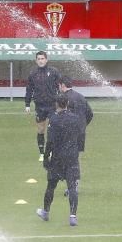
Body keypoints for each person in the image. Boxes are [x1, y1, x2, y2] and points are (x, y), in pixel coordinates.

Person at [36, 95, 83, 227]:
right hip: (72, 157)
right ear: (67, 103)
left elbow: (50, 142)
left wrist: (46, 158)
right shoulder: (75, 119)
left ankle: (45, 212)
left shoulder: (54, 120)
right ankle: (73, 216)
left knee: (51, 185)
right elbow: (79, 135)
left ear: (57, 104)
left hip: (57, 157)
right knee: (72, 186)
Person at [23, 51, 62, 163]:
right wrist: (27, 104)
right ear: (36, 61)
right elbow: (29, 89)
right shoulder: (33, 73)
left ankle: (52, 151)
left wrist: (62, 100)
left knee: (53, 128)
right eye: (38, 59)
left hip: (52, 105)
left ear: (46, 59)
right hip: (40, 106)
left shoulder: (54, 71)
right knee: (41, 129)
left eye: (42, 58)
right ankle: (42, 153)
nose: (40, 61)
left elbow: (60, 86)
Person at [58, 76, 93, 152]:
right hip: (81, 131)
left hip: (68, 132)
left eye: (59, 85)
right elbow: (90, 113)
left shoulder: (63, 98)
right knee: (77, 157)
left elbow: (61, 116)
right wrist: (83, 124)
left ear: (63, 85)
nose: (58, 87)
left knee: (66, 156)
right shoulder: (81, 97)